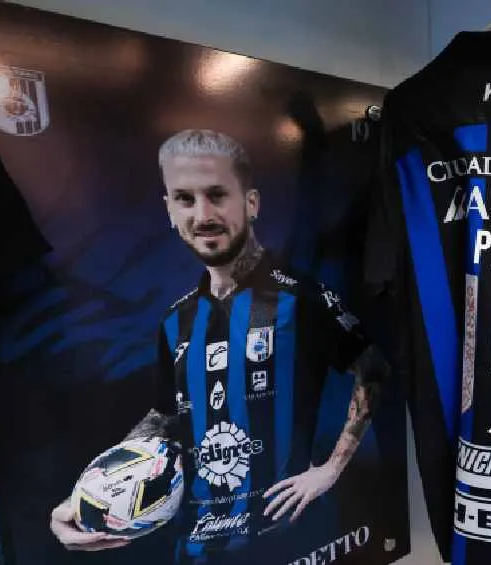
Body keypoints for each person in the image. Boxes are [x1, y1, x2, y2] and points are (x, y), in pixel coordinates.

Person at [49, 129, 387, 563]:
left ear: (251, 203)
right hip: (197, 545)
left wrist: (329, 470)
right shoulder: (175, 320)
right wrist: (88, 498)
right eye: (185, 199)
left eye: (216, 195)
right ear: (170, 211)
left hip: (289, 538)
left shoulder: (299, 296)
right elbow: (164, 417)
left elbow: (373, 368)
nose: (203, 214)